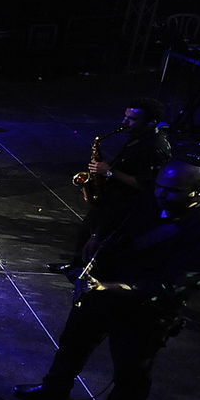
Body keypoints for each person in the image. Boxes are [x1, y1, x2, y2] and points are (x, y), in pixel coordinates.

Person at [13, 162, 200, 400]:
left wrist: (112, 287)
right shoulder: (148, 203)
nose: (162, 195)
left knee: (131, 373)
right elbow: (114, 218)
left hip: (146, 311)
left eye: (172, 191)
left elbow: (171, 285)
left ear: (197, 192)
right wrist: (96, 239)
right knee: (73, 343)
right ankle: (54, 388)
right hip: (104, 292)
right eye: (159, 188)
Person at [49, 98, 172, 272]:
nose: (124, 122)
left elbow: (147, 185)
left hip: (128, 205)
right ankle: (77, 267)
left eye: (132, 119)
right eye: (125, 116)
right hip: (113, 197)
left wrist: (109, 172)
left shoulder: (154, 147)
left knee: (99, 238)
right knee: (86, 231)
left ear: (151, 122)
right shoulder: (137, 137)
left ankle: (89, 273)